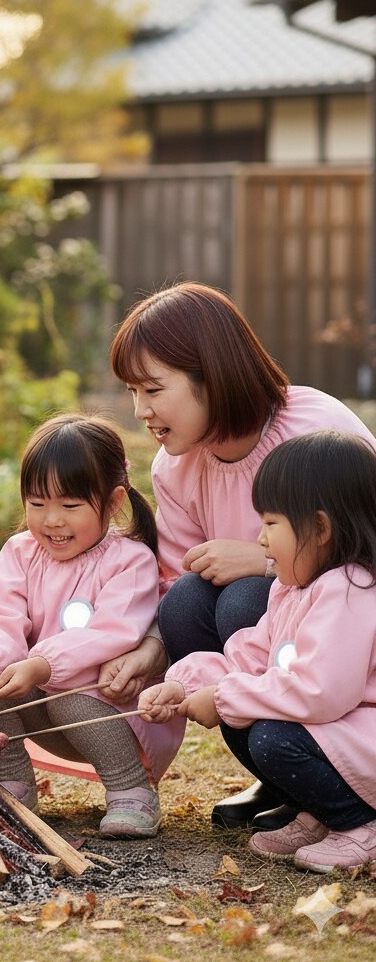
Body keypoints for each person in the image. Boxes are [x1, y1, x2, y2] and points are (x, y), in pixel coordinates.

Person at [104, 281, 376, 830]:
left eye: (152, 389)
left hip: (347, 643)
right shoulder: (174, 468)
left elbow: (366, 544)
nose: (140, 410)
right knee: (185, 603)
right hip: (268, 647)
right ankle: (283, 781)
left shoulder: (314, 427)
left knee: (242, 601)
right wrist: (155, 658)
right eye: (133, 393)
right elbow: (174, 579)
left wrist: (263, 564)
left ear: (213, 374)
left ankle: (335, 778)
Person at [140, 431, 376, 871]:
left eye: (271, 524)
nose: (261, 540)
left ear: (320, 528)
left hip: (362, 734)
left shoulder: (349, 591)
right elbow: (246, 657)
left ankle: (359, 824)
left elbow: (323, 692)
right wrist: (184, 684)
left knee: (271, 736)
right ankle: (321, 814)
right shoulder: (292, 590)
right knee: (243, 718)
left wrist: (226, 698)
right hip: (338, 733)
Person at [0, 414, 183, 836]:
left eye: (70, 506)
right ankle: (11, 785)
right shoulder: (21, 553)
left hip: (109, 710)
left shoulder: (129, 561)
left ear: (112, 502)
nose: (51, 520)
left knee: (66, 694)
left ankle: (131, 790)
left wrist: (42, 665)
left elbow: (112, 633)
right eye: (37, 504)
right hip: (44, 708)